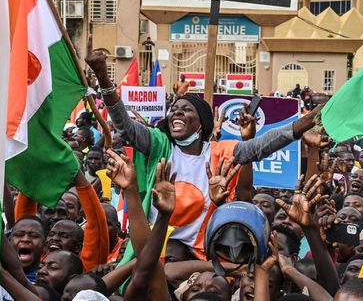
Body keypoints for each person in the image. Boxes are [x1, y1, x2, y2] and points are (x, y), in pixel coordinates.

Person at [86, 46, 325, 259]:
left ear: (201, 124)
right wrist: (104, 78)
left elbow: (262, 146)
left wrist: (303, 123)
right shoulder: (159, 145)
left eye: (185, 110)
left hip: (205, 254)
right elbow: (124, 125)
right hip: (154, 248)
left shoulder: (221, 153)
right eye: (174, 110)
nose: (176, 113)